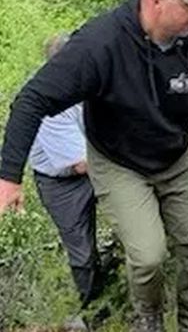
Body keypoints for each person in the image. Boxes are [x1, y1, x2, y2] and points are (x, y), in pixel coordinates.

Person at [0, 0, 188, 331]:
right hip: (118, 161)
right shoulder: (100, 44)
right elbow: (31, 100)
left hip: (174, 155)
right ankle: (148, 316)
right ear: (155, 1)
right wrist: (9, 178)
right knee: (148, 255)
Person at [27, 34, 108, 328]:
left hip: (100, 163)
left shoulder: (96, 81)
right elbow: (80, 163)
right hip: (63, 182)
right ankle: (94, 314)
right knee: (83, 253)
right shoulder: (48, 101)